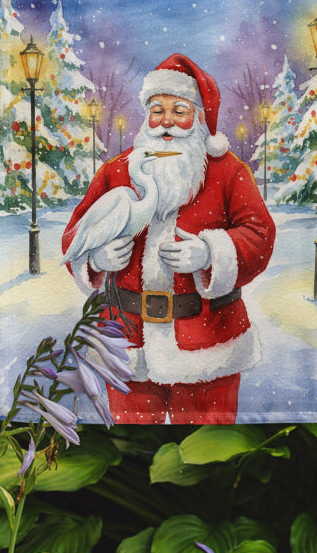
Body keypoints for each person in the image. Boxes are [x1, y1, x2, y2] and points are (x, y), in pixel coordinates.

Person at [62, 53, 276, 424]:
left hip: (209, 342)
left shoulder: (228, 172)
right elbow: (75, 234)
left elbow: (260, 234)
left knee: (207, 449)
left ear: (199, 116)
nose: (166, 122)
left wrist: (211, 252)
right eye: (157, 110)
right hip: (126, 338)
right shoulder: (117, 171)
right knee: (130, 448)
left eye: (179, 110)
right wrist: (96, 260)